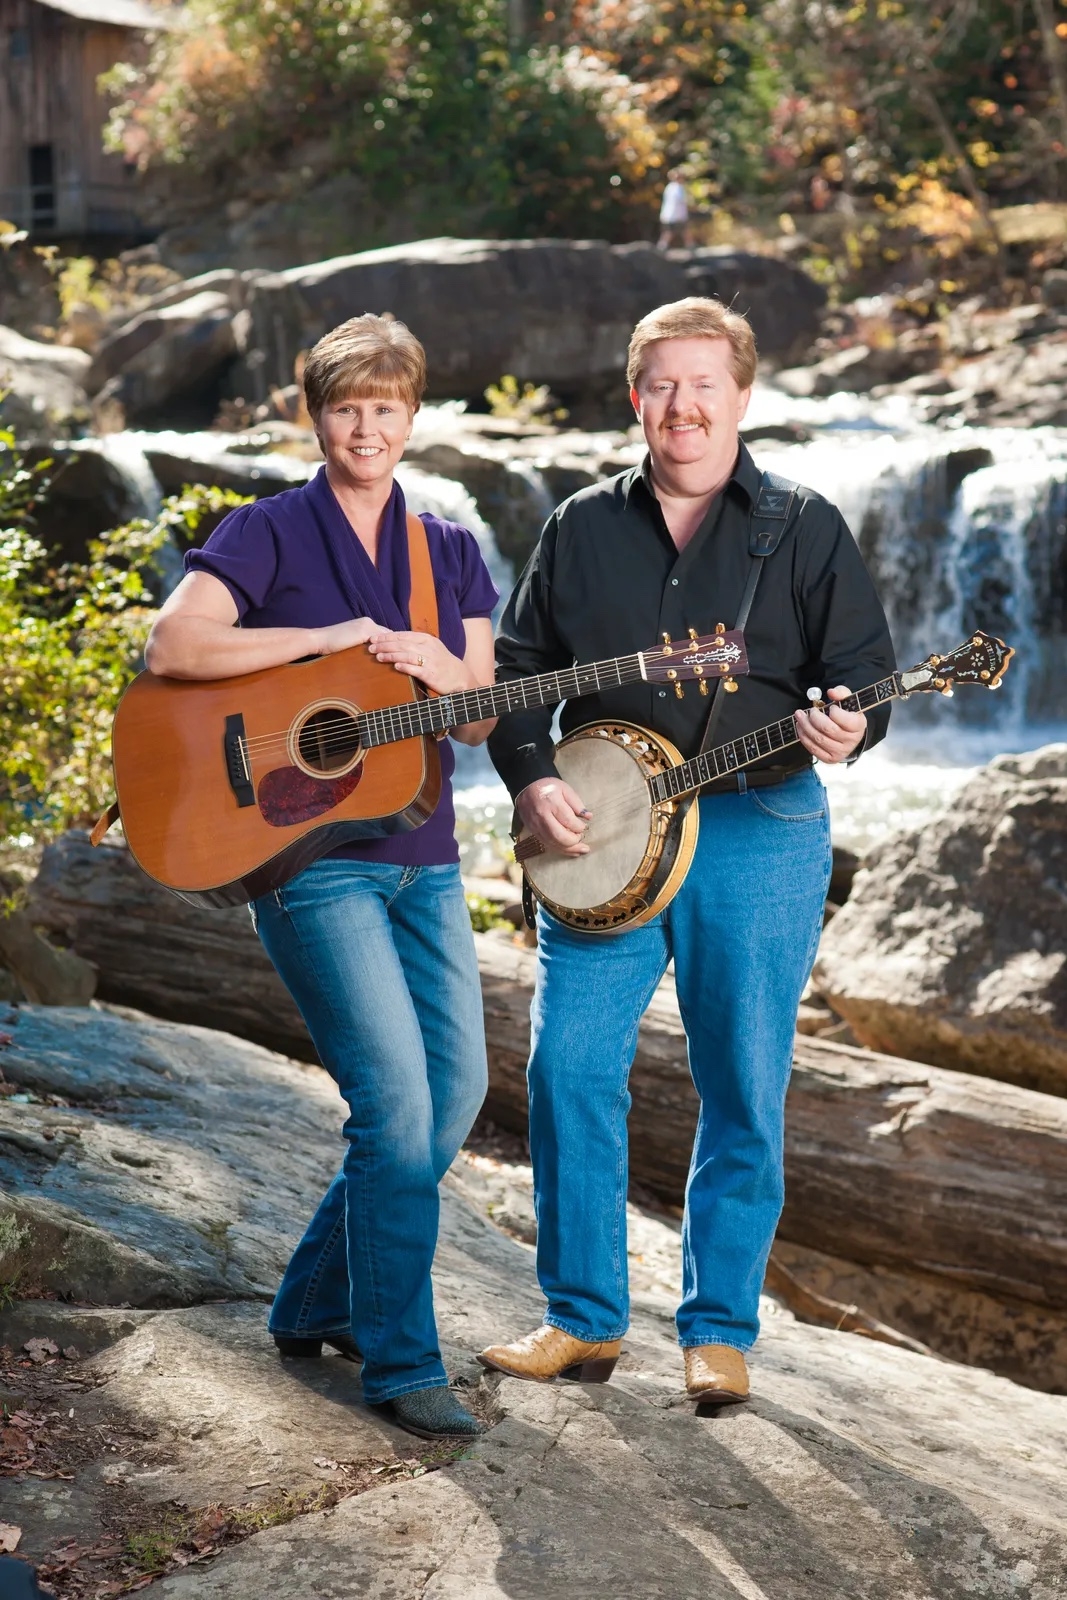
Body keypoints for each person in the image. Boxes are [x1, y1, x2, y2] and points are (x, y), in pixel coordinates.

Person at [479, 297, 895, 1404]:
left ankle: (717, 1330)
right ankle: (580, 1319)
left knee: (742, 1084)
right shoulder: (577, 524)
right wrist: (530, 779)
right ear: (633, 397)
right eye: (661, 383)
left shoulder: (803, 525)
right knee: (566, 1066)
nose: (682, 405)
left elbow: (862, 676)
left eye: (703, 383)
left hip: (758, 829)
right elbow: (516, 676)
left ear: (741, 396)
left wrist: (850, 724)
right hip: (599, 833)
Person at [144, 314, 499, 1439]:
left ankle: (309, 1300)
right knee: (394, 1113)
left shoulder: (447, 550)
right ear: (317, 415)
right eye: (346, 406)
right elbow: (175, 649)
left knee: (453, 1102)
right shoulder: (270, 530)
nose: (367, 427)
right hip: (306, 864)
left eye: (386, 406)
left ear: (412, 414)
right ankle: (401, 1362)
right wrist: (324, 640)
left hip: (426, 860)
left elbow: (482, 714)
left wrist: (444, 664)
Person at [658, 168, 689, 250]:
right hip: (675, 216)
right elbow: (681, 201)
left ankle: (690, 246)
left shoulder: (670, 187)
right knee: (670, 232)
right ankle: (661, 248)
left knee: (682, 232)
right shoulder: (677, 188)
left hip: (671, 215)